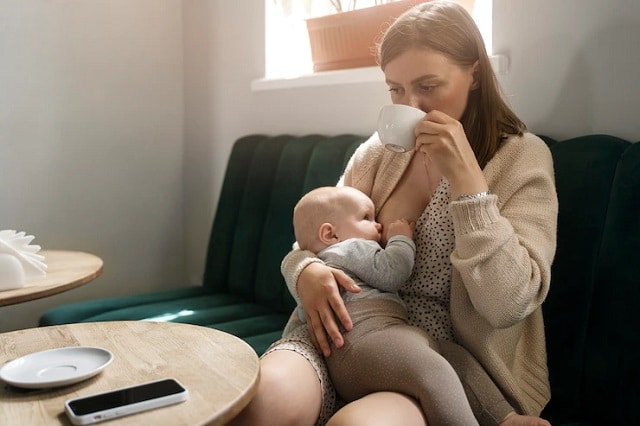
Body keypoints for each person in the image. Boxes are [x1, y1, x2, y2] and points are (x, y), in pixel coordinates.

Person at [231, 1, 558, 425]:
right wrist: (303, 272)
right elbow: (316, 238)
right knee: (260, 404)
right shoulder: (378, 153)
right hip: (334, 335)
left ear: (474, 73)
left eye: (428, 85)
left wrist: (468, 185)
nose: (413, 105)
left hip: (431, 365)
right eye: (396, 90)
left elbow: (509, 303)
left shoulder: (521, 159)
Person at [292, 185, 479, 426]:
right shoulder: (351, 248)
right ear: (330, 234)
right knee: (437, 372)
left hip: (350, 355)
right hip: (367, 339)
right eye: (366, 218)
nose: (378, 224)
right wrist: (400, 238)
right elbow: (393, 273)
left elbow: (302, 318)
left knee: (456, 358)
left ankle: (505, 417)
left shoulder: (319, 271)